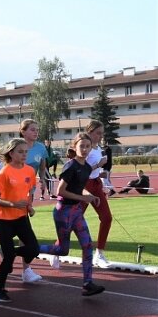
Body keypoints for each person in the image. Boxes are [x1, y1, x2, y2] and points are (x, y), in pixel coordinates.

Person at [38, 133, 106, 296]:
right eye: (81, 146)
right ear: (74, 147)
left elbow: (79, 187)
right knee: (62, 250)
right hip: (64, 212)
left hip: (76, 212)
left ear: (91, 148)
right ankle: (31, 248)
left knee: (87, 245)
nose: (84, 149)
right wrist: (84, 197)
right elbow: (60, 191)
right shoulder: (70, 166)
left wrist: (90, 195)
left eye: (87, 146)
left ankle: (87, 283)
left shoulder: (87, 167)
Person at [0, 138, 40, 303]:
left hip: (21, 217)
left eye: (26, 151)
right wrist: (12, 204)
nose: (24, 154)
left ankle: (10, 253)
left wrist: (29, 207)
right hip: (4, 219)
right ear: (11, 153)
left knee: (33, 249)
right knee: (9, 257)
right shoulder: (4, 173)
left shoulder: (30, 171)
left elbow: (27, 193)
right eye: (20, 151)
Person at [17, 119, 47, 283]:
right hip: (14, 190)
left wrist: (41, 179)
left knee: (19, 225)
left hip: (30, 191)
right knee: (22, 227)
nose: (36, 132)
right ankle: (26, 270)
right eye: (32, 130)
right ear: (23, 131)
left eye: (37, 129)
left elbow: (42, 167)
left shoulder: (41, 148)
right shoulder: (16, 146)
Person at [81, 120, 113, 268]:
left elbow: (95, 171)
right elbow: (79, 171)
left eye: (102, 133)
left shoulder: (99, 149)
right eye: (98, 133)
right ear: (90, 131)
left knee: (107, 217)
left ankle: (99, 253)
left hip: (96, 185)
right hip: (82, 186)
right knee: (73, 219)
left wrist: (102, 175)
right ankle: (58, 248)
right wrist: (98, 165)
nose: (100, 136)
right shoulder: (84, 148)